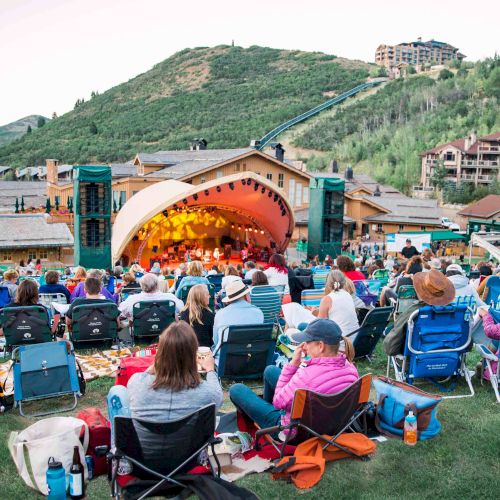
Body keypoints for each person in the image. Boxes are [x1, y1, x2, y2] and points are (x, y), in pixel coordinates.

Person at [229, 319, 358, 430]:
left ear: (320, 346)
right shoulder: (350, 368)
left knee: (236, 389)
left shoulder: (306, 375)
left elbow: (278, 401)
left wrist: (293, 364)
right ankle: (266, 413)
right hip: (333, 424)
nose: (304, 346)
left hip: (293, 431)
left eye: (307, 342)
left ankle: (267, 422)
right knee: (270, 370)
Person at [111, 322, 223, 422]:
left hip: (144, 444)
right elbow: (218, 397)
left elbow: (140, 379)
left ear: (161, 353)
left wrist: (155, 365)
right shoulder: (208, 393)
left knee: (117, 390)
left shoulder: (137, 382)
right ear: (193, 354)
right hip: (189, 444)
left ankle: (116, 443)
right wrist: (210, 370)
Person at [383, 269, 455, 356]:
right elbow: (467, 345)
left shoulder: (415, 312)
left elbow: (390, 348)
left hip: (417, 358)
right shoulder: (456, 312)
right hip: (449, 357)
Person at [212, 280, 264, 357]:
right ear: (246, 296)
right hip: (252, 359)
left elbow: (216, 342)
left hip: (226, 360)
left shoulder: (220, 314)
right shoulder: (258, 313)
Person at [119, 272, 184, 319]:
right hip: (166, 332)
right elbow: (182, 309)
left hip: (141, 332)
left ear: (141, 286)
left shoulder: (133, 299)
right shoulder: (169, 297)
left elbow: (120, 312)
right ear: (157, 285)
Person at [317, 270, 360, 338]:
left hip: (339, 343)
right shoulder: (348, 295)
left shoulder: (327, 299)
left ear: (328, 283)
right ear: (344, 281)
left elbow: (319, 327)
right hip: (355, 340)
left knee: (303, 325)